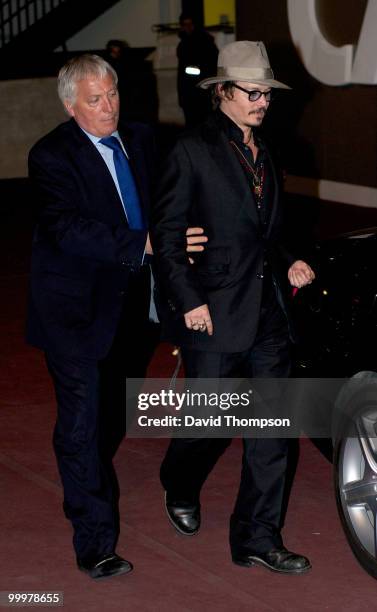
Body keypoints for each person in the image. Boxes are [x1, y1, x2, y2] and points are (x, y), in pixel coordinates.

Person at [26, 54, 206, 580]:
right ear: (70, 105)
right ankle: (95, 541)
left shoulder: (143, 139)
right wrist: (145, 242)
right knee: (81, 426)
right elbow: (67, 229)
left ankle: (85, 484)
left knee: (107, 417)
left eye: (113, 95)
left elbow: (170, 201)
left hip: (135, 309)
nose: (108, 108)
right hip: (75, 312)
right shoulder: (51, 155)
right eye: (94, 100)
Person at [151, 41, 315, 575]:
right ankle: (179, 481)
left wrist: (288, 259)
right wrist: (190, 300)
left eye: (267, 93)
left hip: (267, 312)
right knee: (207, 426)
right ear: (221, 91)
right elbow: (170, 235)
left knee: (271, 432)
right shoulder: (190, 150)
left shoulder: (264, 150)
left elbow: (268, 230)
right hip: (214, 312)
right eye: (252, 92)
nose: (262, 101)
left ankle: (256, 539)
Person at [177, 12, 218, 127]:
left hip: (202, 92)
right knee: (191, 126)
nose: (188, 28)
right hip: (188, 93)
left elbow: (211, 66)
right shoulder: (182, 44)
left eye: (190, 24)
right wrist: (181, 96)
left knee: (204, 124)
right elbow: (181, 73)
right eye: (185, 25)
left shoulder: (206, 42)